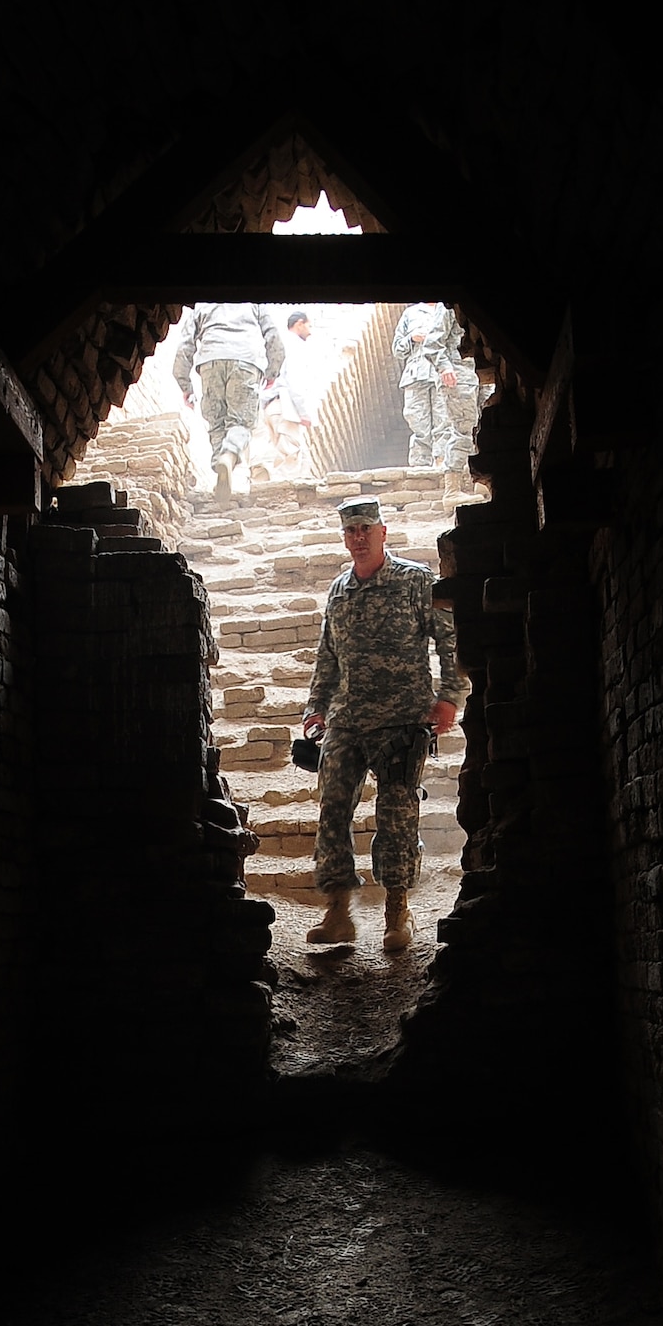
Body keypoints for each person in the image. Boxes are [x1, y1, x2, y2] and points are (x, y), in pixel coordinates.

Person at [301, 496, 463, 951]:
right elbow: (327, 655)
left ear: (382, 532)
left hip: (401, 721)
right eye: (350, 532)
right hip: (347, 721)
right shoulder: (339, 590)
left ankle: (397, 911)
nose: (358, 539)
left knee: (395, 814)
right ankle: (337, 913)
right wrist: (316, 706)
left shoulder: (414, 581)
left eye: (365, 530)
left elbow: (449, 639)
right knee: (332, 808)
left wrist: (450, 696)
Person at [172, 303, 285, 502]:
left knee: (217, 424)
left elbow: (185, 346)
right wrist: (272, 370)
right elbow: (273, 335)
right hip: (246, 362)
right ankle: (229, 455)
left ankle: (221, 471)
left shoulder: (201, 306)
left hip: (210, 362)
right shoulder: (254, 304)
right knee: (241, 422)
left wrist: (185, 384)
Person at [391, 299, 472, 472]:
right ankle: (420, 466)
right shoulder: (410, 313)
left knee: (443, 419)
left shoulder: (449, 310)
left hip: (442, 374)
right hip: (415, 375)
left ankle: (441, 462)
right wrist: (412, 338)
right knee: (417, 420)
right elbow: (397, 349)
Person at [259, 310, 317, 481]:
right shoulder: (294, 345)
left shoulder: (273, 345)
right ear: (299, 324)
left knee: (279, 454)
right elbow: (294, 380)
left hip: (269, 407)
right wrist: (303, 412)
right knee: (290, 455)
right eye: (309, 325)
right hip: (285, 406)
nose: (310, 331)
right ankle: (286, 499)